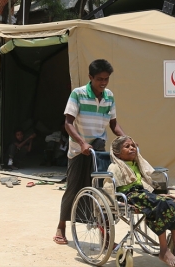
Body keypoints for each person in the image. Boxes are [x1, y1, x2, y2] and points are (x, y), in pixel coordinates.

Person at [53, 59, 126, 245]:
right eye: (99, 79)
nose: (103, 83)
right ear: (90, 77)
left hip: (98, 150)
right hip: (79, 150)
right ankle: (61, 227)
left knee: (102, 192)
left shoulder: (109, 96)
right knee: (73, 188)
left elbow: (113, 124)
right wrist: (82, 143)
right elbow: (68, 123)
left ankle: (105, 236)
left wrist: (126, 139)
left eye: (106, 79)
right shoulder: (78, 94)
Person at [107, 136, 175, 267]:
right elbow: (109, 189)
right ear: (118, 153)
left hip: (143, 194)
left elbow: (146, 186)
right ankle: (164, 250)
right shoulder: (114, 167)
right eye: (127, 146)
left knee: (173, 203)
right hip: (129, 196)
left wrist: (159, 195)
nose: (132, 148)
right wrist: (118, 202)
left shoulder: (137, 165)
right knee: (160, 203)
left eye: (133, 145)